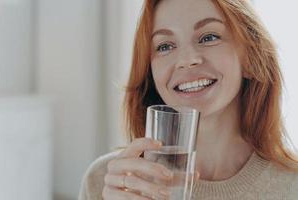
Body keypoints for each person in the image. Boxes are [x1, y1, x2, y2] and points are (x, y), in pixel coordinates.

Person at [79, 0, 298, 199]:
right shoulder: (108, 182)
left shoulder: (291, 185)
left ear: (251, 58)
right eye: (165, 46)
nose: (187, 60)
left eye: (209, 37)